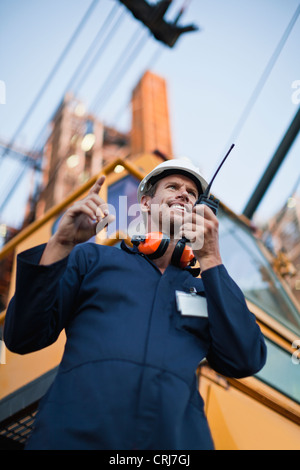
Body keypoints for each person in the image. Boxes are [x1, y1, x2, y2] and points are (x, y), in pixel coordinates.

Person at [4, 159, 267, 450]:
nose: (184, 194)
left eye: (192, 194)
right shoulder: (92, 260)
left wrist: (211, 259)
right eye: (173, 187)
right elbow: (22, 335)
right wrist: (61, 244)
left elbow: (245, 359)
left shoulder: (209, 289)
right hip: (72, 437)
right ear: (145, 202)